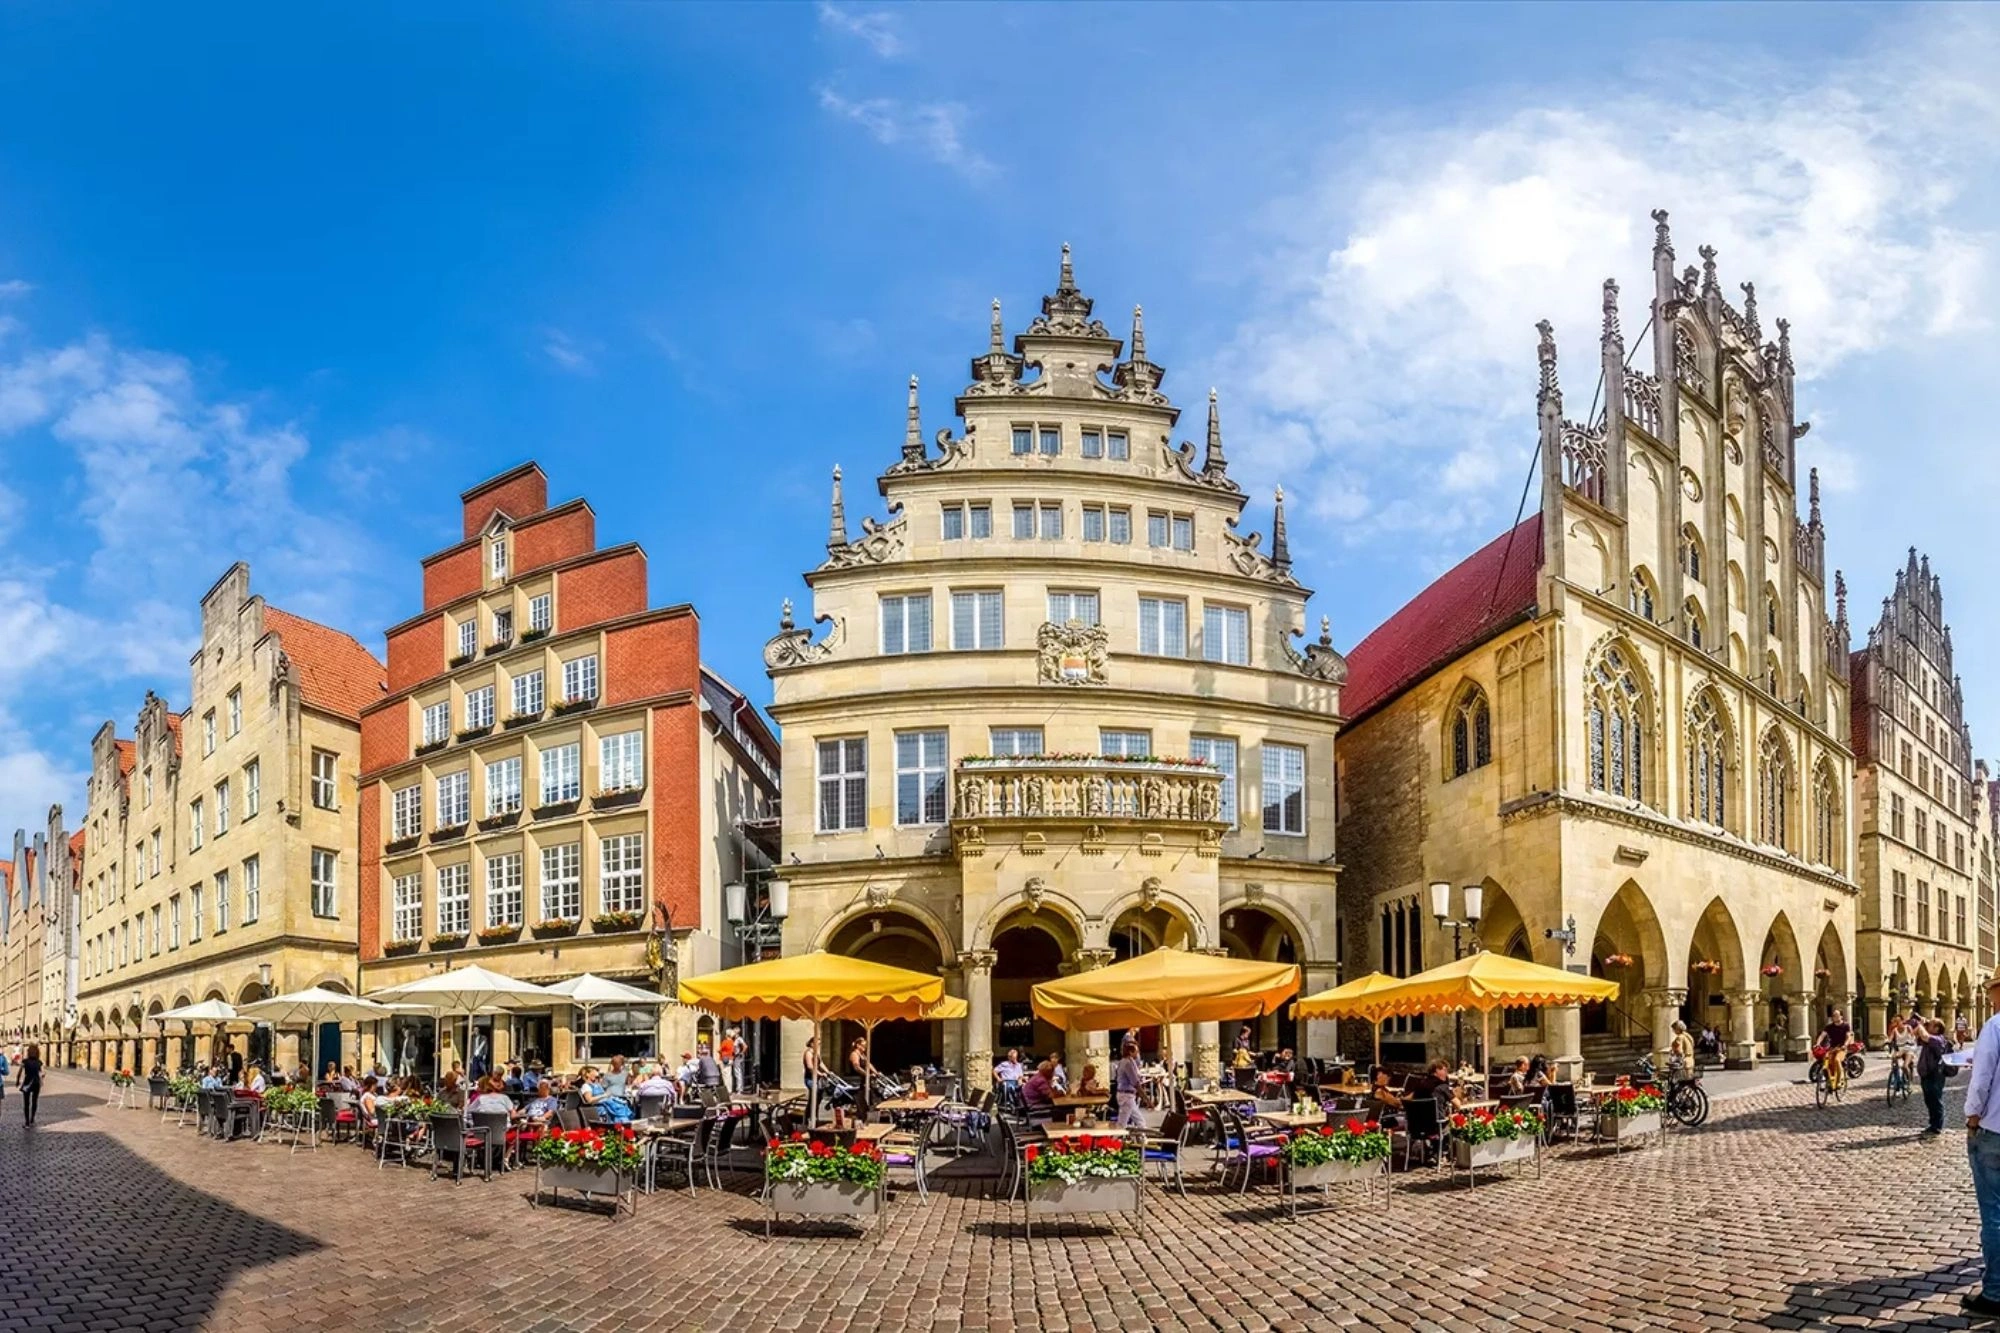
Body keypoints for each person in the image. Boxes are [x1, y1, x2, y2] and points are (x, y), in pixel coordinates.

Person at [1961, 972, 2000, 1317]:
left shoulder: (1995, 1026)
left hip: (1995, 1131)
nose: (1990, 999)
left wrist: (1972, 1117)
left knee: (1994, 1213)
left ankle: (1996, 1292)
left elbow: (1981, 1077)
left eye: (1993, 992)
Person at [1918, 1018, 1951, 1136]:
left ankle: (1937, 1126)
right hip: (1927, 1074)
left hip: (1935, 1075)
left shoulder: (1938, 1040)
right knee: (1929, 1100)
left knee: (1936, 1100)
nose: (1927, 1026)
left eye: (1930, 1025)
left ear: (1937, 1028)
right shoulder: (1932, 1038)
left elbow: (1924, 1036)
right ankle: (1933, 1124)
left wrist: (1920, 1024)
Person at [1815, 1009, 1853, 1093]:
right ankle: (1829, 1081)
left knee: (1836, 1060)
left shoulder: (1846, 1025)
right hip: (1832, 1048)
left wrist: (1845, 1045)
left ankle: (1839, 1080)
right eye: (1833, 1015)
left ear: (1841, 1016)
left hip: (1841, 1048)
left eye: (1836, 1015)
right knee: (1826, 1061)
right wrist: (1817, 1044)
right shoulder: (1829, 1027)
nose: (1834, 1017)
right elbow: (1822, 1035)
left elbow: (1848, 1036)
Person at [1112, 1040, 1145, 1128]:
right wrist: (1146, 1099)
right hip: (1126, 1095)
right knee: (1122, 1124)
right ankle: (1114, 1140)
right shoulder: (1127, 1063)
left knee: (1139, 1120)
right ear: (1130, 1052)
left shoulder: (1126, 1062)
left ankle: (1143, 1138)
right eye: (1136, 1052)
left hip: (1127, 1095)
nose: (1137, 1054)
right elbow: (1135, 1082)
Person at [15, 1043, 41, 1126]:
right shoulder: (39, 1062)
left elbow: (20, 1072)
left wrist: (17, 1080)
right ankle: (32, 1118)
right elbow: (43, 1073)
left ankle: (27, 1122)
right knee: (35, 1101)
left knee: (26, 1103)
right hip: (36, 1083)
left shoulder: (25, 1061)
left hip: (27, 1083)